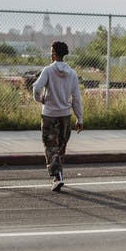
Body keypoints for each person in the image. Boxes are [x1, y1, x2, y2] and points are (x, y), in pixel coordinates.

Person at [33, 41, 84, 192]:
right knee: (60, 148)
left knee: (51, 148)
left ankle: (57, 177)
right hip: (65, 116)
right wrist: (79, 118)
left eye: (51, 52)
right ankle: (59, 175)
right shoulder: (73, 74)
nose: (50, 55)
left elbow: (36, 88)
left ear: (54, 54)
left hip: (49, 115)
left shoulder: (48, 71)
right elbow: (76, 98)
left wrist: (40, 99)